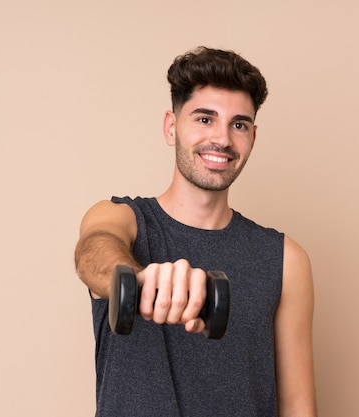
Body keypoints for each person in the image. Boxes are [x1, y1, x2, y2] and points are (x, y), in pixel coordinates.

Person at [74, 46, 316, 416]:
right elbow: (95, 252)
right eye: (204, 119)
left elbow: (298, 406)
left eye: (239, 124)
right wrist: (143, 282)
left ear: (253, 137)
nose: (222, 139)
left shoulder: (285, 259)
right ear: (171, 127)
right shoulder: (122, 218)